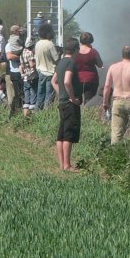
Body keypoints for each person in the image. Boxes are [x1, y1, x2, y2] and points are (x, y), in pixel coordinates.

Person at [102, 45, 130, 146]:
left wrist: (105, 102)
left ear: (123, 54)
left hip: (117, 101)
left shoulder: (113, 67)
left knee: (116, 133)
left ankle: (115, 156)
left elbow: (107, 86)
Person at [51, 37, 82, 172]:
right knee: (68, 133)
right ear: (76, 50)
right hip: (70, 104)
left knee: (61, 134)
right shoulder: (71, 63)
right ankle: (67, 165)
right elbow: (67, 81)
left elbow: (54, 81)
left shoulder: (61, 62)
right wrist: (73, 98)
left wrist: (61, 94)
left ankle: (61, 164)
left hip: (62, 102)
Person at [34, 24, 59, 110]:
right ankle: (47, 114)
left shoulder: (37, 43)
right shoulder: (50, 44)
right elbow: (56, 58)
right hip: (50, 73)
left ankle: (37, 112)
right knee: (49, 96)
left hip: (40, 72)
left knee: (40, 94)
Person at [74, 32, 103, 103]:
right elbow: (100, 64)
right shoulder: (93, 52)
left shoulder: (75, 52)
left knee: (77, 101)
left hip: (77, 79)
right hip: (91, 80)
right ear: (91, 40)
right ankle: (88, 113)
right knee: (89, 101)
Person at [4, 25, 25, 117]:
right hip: (15, 72)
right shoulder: (9, 44)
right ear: (15, 32)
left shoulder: (20, 43)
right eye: (19, 31)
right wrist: (22, 58)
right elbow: (9, 56)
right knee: (17, 94)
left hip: (23, 72)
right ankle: (14, 114)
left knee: (21, 94)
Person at [21, 37, 38, 117]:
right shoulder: (30, 53)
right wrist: (36, 62)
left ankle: (25, 117)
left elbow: (21, 67)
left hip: (25, 77)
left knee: (26, 99)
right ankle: (32, 117)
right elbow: (32, 65)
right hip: (32, 77)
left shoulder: (22, 52)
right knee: (33, 97)